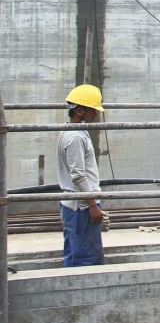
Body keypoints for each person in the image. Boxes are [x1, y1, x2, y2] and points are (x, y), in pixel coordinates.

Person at [59, 85, 106, 267]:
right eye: (93, 110)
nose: (95, 114)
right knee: (87, 259)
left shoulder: (70, 131)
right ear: (79, 111)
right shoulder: (75, 137)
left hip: (74, 205)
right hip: (82, 207)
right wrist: (92, 205)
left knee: (73, 254)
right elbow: (78, 176)